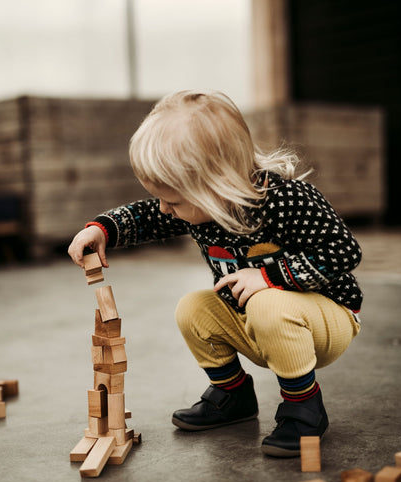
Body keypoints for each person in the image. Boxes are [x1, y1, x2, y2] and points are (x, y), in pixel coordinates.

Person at [68, 90, 362, 458]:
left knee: (267, 304)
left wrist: (269, 276)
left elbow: (343, 252)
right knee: (193, 308)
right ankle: (232, 395)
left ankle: (304, 406)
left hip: (326, 317)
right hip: (257, 317)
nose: (165, 209)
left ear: (214, 187)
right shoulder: (201, 207)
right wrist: (103, 230)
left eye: (173, 202)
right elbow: (147, 216)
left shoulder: (288, 200)